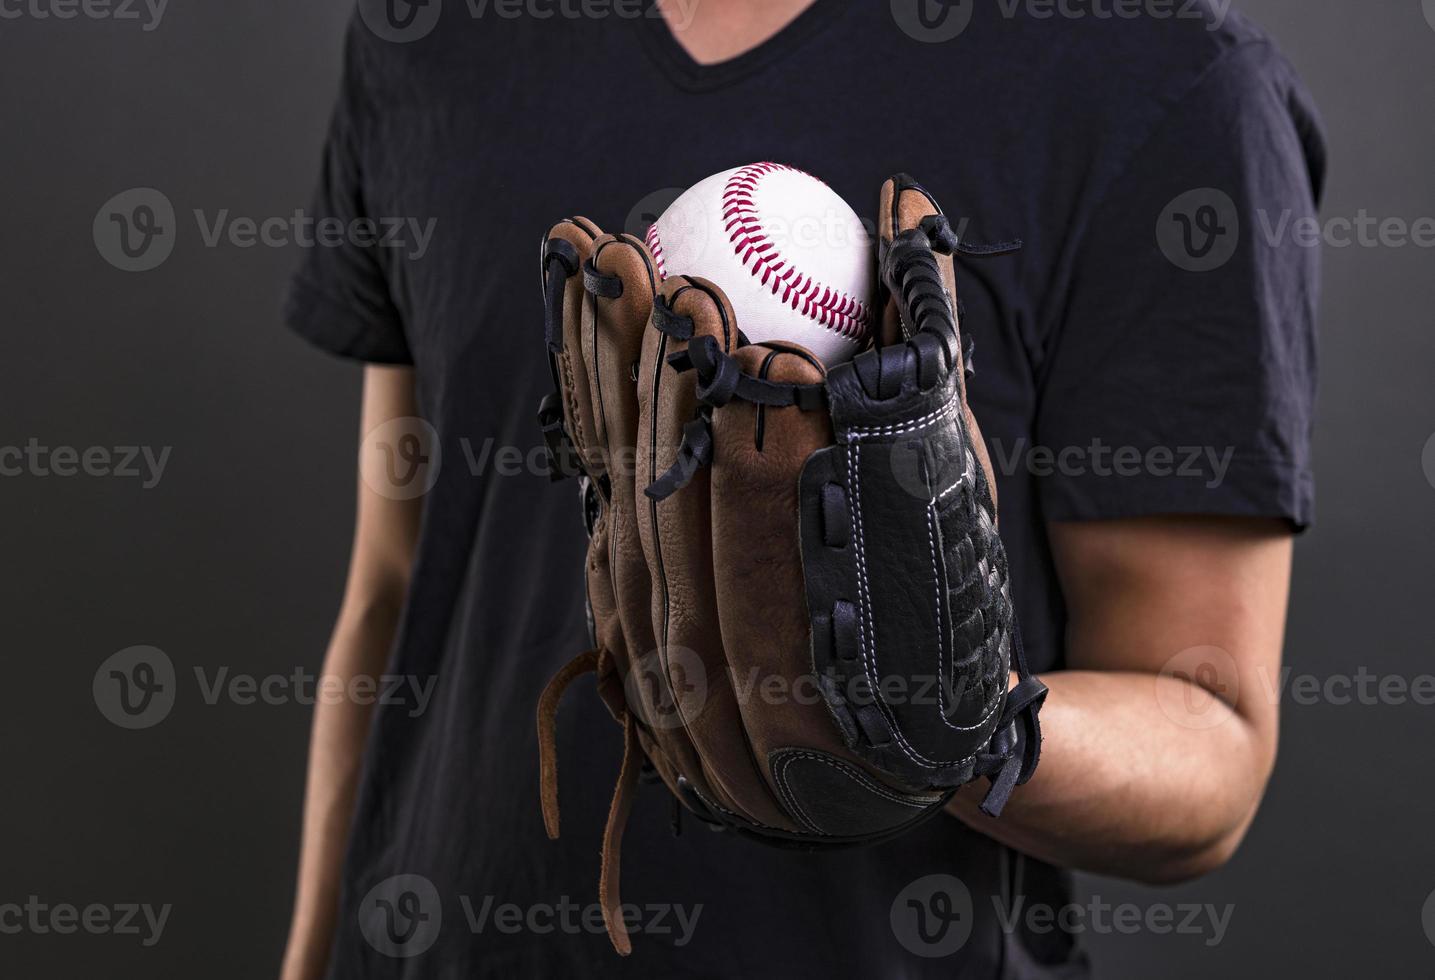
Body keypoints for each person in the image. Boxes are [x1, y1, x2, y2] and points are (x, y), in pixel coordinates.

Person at [279, 1, 1324, 976]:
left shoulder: (1152, 70)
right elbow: (391, 584)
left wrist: (938, 719)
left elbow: (1210, 738)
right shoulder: (430, 36)